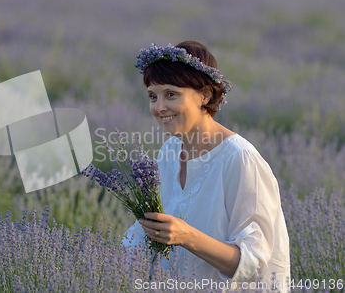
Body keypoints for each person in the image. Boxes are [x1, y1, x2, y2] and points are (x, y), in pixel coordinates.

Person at [122, 41, 291, 291]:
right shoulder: (169, 151)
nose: (158, 108)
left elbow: (254, 266)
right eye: (152, 96)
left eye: (171, 94)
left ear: (205, 95)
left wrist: (187, 237)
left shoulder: (240, 159)